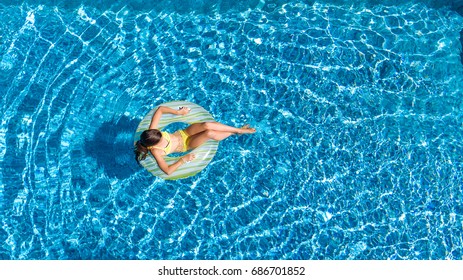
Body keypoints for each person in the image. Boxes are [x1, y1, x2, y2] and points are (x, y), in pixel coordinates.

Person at [134, 105, 256, 175]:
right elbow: (167, 171)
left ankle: (239, 130)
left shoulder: (152, 131)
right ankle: (236, 132)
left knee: (207, 125)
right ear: (154, 144)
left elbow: (160, 109)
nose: (161, 134)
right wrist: (182, 160)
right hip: (186, 145)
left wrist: (178, 112)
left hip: (183, 133)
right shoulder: (156, 151)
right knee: (209, 133)